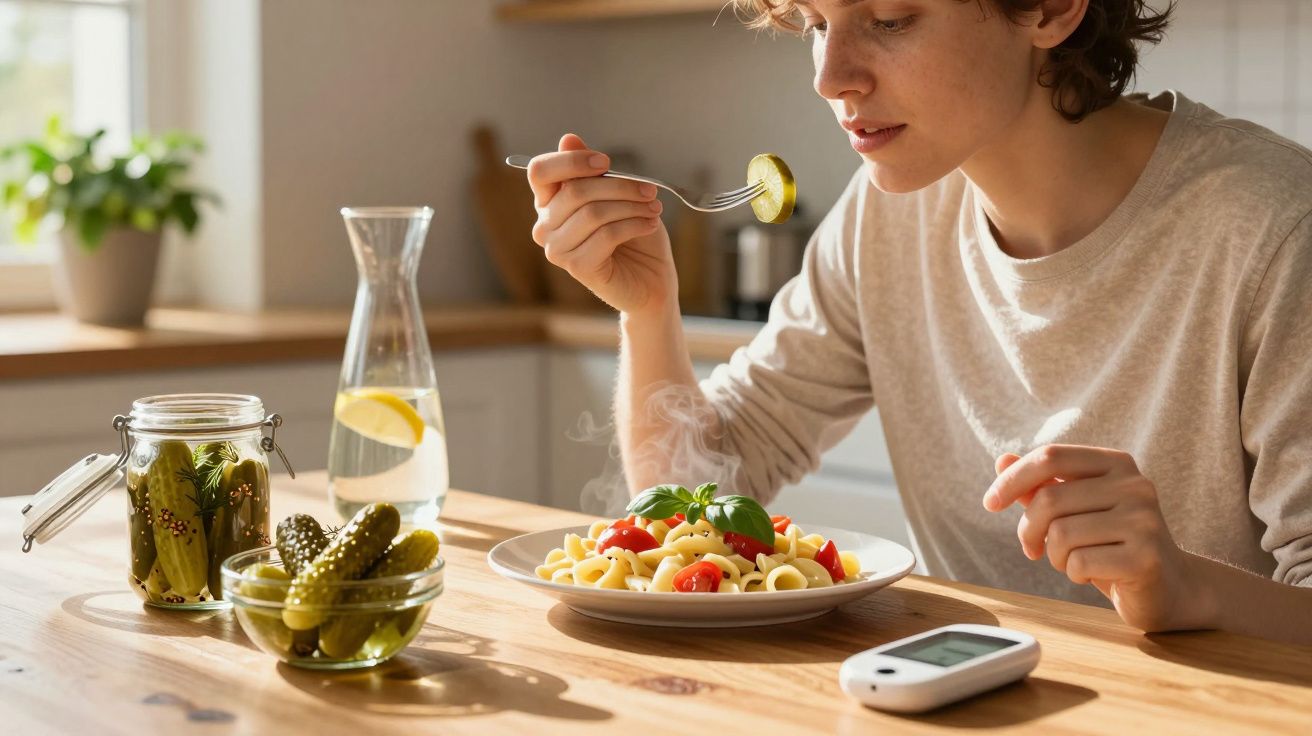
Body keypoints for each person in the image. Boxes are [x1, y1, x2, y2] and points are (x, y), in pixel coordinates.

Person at [522, 0, 1312, 644]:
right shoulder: (886, 216)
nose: (832, 78)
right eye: (816, 23)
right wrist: (648, 310)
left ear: (1051, 8)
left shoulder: (1273, 228)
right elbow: (694, 500)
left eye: (891, 19)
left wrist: (1185, 590)